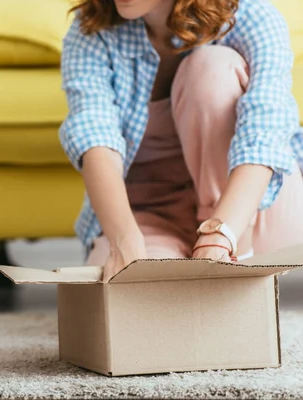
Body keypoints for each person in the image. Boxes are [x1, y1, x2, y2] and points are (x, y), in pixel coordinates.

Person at [59, 0, 303, 280]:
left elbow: (265, 135)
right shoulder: (92, 30)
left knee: (211, 69)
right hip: (155, 213)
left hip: (255, 211)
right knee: (134, 291)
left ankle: (235, 252)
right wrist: (123, 240)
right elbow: (95, 139)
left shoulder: (253, 18)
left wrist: (221, 235)